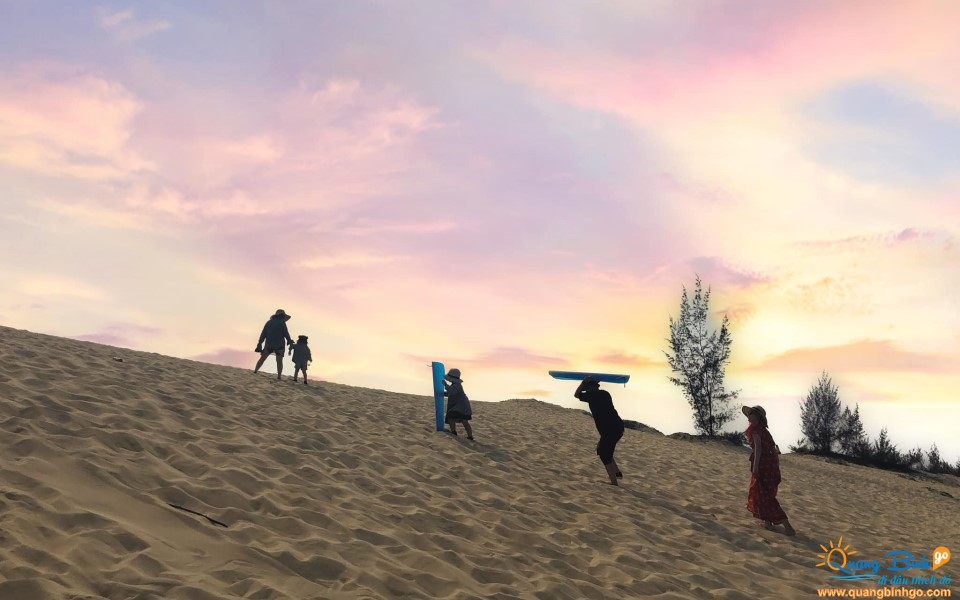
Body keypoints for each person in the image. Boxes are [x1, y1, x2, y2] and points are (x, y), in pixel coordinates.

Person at [743, 405, 796, 536]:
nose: (749, 416)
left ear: (757, 416)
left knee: (765, 494)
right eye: (749, 414)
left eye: (751, 413)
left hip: (763, 465)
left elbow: (759, 448)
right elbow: (773, 450)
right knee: (762, 493)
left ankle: (788, 527)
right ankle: (767, 522)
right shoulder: (764, 431)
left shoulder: (756, 430)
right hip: (770, 465)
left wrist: (756, 466)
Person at [575, 376, 624, 486]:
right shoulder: (605, 393)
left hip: (609, 430)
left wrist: (583, 383)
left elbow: (576, 394)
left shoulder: (591, 396)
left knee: (604, 454)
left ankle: (614, 483)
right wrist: (588, 383)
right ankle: (617, 473)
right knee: (602, 449)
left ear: (589, 388)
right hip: (617, 427)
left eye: (586, 388)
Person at [254, 309, 293, 380]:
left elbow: (263, 334)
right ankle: (279, 376)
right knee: (279, 361)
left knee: (262, 358)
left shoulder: (268, 322)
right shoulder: (282, 323)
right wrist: (290, 342)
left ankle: (255, 370)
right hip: (280, 345)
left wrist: (259, 344)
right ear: (282, 316)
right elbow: (286, 334)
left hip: (269, 344)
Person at [443, 368, 474, 440]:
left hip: (460, 405)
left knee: (451, 417)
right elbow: (451, 393)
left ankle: (453, 431)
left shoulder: (457, 385)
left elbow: (452, 391)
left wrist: (445, 385)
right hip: (463, 405)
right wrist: (443, 393)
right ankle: (470, 436)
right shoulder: (456, 385)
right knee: (464, 420)